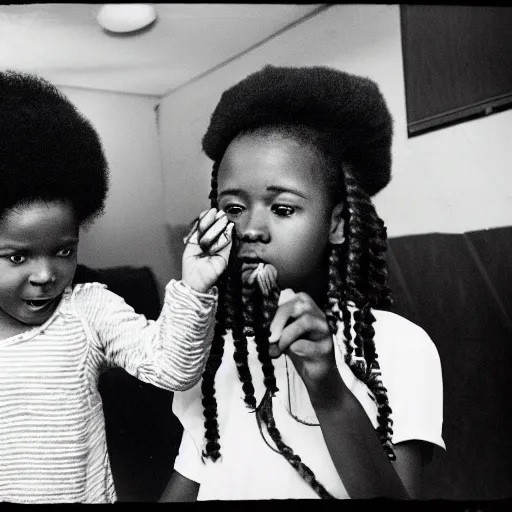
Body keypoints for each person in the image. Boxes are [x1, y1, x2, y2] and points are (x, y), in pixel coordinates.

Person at [159, 65, 445, 501]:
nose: (251, 228)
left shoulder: (401, 347)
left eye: (283, 208)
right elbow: (193, 478)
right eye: (233, 208)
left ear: (336, 224)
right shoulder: (216, 352)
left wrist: (327, 388)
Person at [0, 70, 233, 504]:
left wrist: (195, 286)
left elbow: (173, 367)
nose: (46, 274)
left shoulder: (87, 312)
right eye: (18, 257)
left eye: (64, 251)